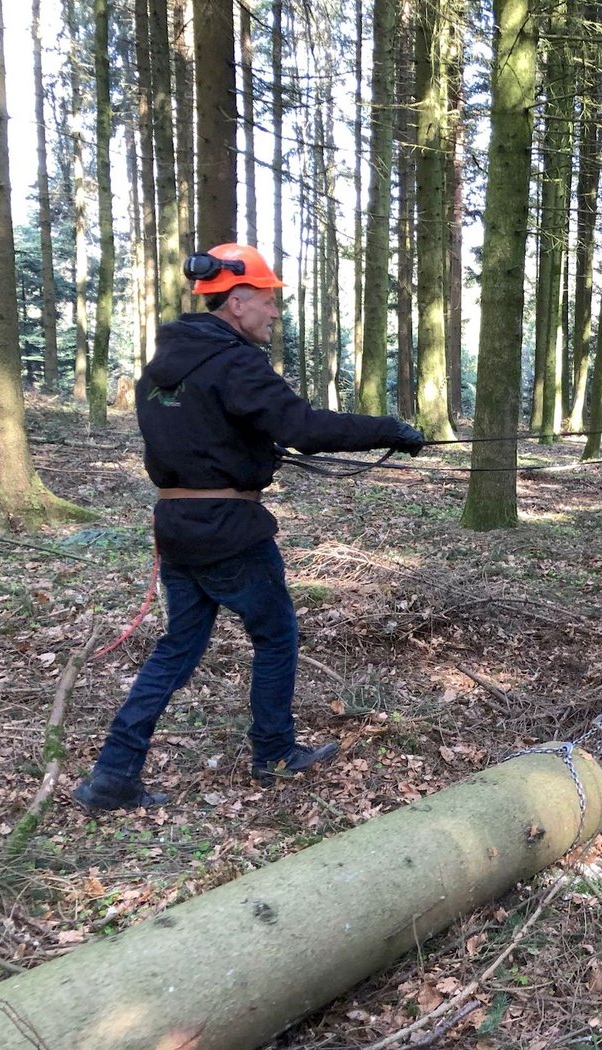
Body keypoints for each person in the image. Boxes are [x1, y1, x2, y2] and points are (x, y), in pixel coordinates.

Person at [72, 243, 425, 812]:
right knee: (277, 635)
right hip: (230, 531)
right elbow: (304, 426)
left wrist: (255, 451)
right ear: (236, 302)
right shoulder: (235, 363)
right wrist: (389, 429)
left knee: (177, 650)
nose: (274, 315)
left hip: (178, 527)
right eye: (267, 302)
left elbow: (208, 436)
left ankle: (112, 777)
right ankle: (275, 752)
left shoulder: (163, 370)